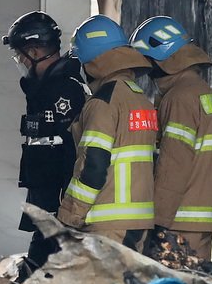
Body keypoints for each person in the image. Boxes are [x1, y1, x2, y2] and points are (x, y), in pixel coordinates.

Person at [54, 16, 157, 249]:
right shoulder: (140, 99)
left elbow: (93, 166)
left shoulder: (103, 103)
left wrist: (69, 215)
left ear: (92, 63)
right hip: (139, 222)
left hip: (108, 223)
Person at [131, 16, 212, 260]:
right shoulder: (201, 91)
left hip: (180, 216)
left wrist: (158, 222)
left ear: (160, 57)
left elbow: (174, 163)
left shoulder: (180, 97)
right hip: (201, 216)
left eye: (145, 58)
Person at [3, 12, 88, 275]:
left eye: (21, 55)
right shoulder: (44, 88)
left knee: (46, 265)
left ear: (35, 50)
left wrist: (64, 199)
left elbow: (72, 148)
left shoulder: (66, 89)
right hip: (45, 195)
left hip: (59, 199)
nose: (21, 62)